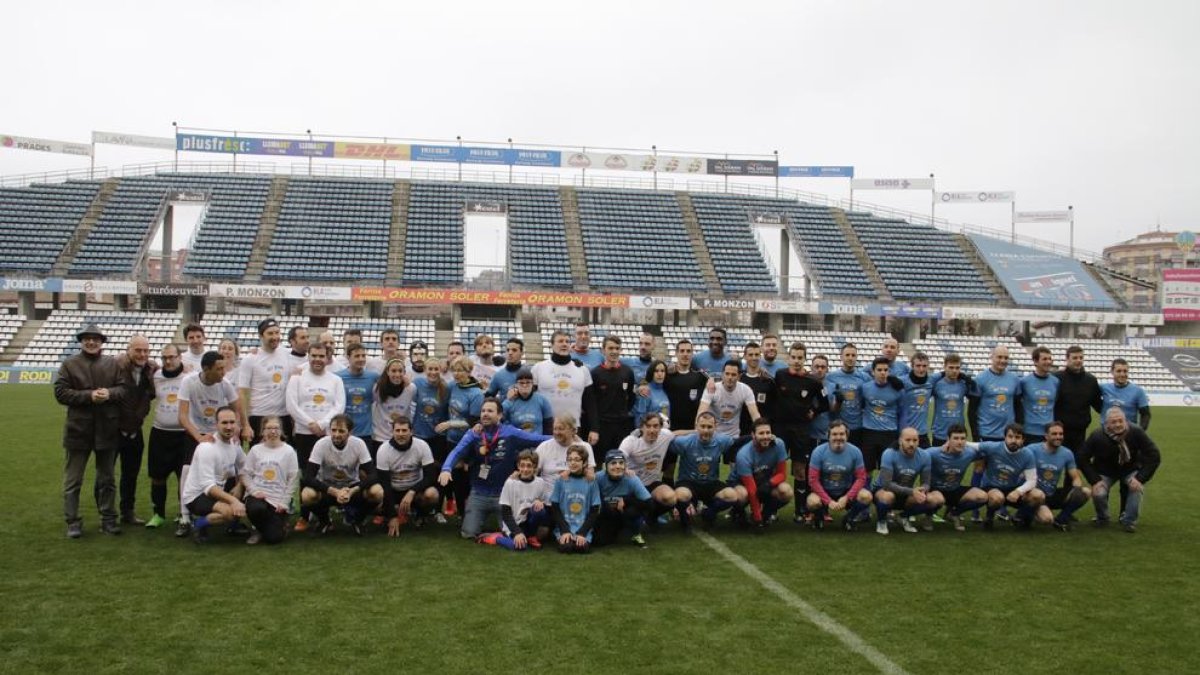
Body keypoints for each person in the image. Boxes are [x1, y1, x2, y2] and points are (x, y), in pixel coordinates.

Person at [438, 397, 551, 538]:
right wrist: (446, 469)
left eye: (490, 411)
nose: (485, 414)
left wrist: (561, 437)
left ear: (500, 415)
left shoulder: (510, 433)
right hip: (479, 493)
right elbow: (457, 451)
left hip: (504, 495)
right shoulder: (474, 433)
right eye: (483, 411)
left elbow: (537, 439)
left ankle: (496, 535)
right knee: (468, 533)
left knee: (510, 533)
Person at [55, 323, 127, 538]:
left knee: (107, 480)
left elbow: (124, 390)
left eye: (95, 339)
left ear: (101, 342)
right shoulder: (69, 364)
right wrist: (89, 396)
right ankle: (72, 521)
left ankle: (108, 519)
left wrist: (110, 393)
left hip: (107, 429)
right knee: (73, 481)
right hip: (78, 430)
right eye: (87, 338)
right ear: (81, 341)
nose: (91, 342)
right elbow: (60, 393)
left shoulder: (112, 364)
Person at [176, 350, 242, 537]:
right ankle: (184, 517)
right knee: (187, 470)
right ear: (206, 369)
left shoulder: (225, 384)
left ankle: (229, 517)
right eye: (219, 369)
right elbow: (182, 416)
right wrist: (198, 437)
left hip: (219, 430)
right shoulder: (189, 382)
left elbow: (237, 407)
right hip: (195, 431)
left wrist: (240, 427)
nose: (223, 372)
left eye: (224, 368)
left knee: (229, 470)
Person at [1078, 408, 1161, 533]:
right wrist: (1094, 480)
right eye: (1113, 422)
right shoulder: (1097, 436)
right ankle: (1103, 518)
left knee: (1136, 489)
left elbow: (1154, 455)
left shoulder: (1136, 432)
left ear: (1125, 421)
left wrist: (1140, 478)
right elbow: (1082, 458)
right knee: (1098, 492)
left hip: (1130, 469)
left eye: (1120, 421)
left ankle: (1129, 521)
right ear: (1107, 423)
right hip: (1105, 471)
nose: (1118, 424)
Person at [300, 414, 378, 535]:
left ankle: (358, 520)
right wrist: (334, 492)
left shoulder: (358, 444)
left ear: (350, 432)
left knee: (377, 492)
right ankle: (324, 521)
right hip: (328, 488)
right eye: (333, 430)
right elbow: (308, 477)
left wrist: (353, 490)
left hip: (351, 488)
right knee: (307, 495)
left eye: (341, 431)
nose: (336, 434)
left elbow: (373, 475)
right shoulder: (321, 444)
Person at [179, 407, 247, 544]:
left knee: (243, 482)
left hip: (218, 488)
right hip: (197, 495)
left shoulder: (234, 443)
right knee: (230, 512)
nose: (229, 427)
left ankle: (232, 526)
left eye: (232, 422)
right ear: (216, 424)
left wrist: (239, 486)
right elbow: (208, 487)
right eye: (224, 423)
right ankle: (198, 523)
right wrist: (233, 501)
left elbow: (246, 467)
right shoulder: (207, 448)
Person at [669, 411, 740, 530]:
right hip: (688, 482)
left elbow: (741, 441)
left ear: (715, 427)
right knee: (681, 495)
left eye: (709, 427)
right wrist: (691, 431)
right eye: (702, 426)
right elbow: (668, 437)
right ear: (696, 426)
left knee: (732, 496)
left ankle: (708, 513)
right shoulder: (685, 441)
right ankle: (685, 519)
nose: (706, 430)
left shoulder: (723, 441)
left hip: (711, 483)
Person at [113, 335, 156, 525]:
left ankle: (127, 512)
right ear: (128, 350)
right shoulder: (115, 367)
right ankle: (107, 515)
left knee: (130, 475)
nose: (142, 354)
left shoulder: (150, 369)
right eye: (138, 350)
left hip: (135, 430)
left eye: (146, 351)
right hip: (113, 430)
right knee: (106, 475)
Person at [372, 416, 439, 537]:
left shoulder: (422, 446)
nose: (400, 434)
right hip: (393, 490)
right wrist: (393, 516)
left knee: (432, 494)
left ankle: (420, 515)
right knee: (376, 493)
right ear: (392, 432)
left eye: (404, 430)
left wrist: (412, 491)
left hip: (415, 490)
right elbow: (385, 484)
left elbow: (431, 476)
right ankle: (386, 515)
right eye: (397, 430)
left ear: (411, 431)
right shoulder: (383, 450)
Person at [530, 329, 598, 445]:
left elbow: (590, 403)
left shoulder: (582, 369)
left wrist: (594, 429)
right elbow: (529, 397)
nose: (564, 344)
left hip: (574, 428)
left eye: (567, 341)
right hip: (547, 427)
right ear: (552, 345)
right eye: (560, 341)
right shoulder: (538, 368)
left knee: (574, 457)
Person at [146, 343, 188, 529]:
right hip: (160, 433)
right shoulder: (156, 376)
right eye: (164, 358)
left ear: (180, 357)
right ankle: (158, 514)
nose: (168, 361)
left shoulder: (189, 377)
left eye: (172, 357)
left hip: (184, 434)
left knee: (183, 477)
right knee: (157, 476)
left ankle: (183, 513)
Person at [240, 416, 299, 545]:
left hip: (278, 498)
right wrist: (254, 491)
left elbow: (293, 479)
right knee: (257, 509)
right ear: (263, 431)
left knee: (274, 538)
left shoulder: (289, 451)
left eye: (276, 428)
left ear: (281, 431)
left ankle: (279, 525)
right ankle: (257, 530)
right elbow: (245, 474)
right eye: (269, 428)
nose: (273, 431)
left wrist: (284, 502)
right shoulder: (255, 450)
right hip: (258, 496)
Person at [477, 449, 552, 551]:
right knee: (519, 547)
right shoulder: (510, 483)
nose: (525, 469)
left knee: (539, 510)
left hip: (528, 522)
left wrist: (541, 502)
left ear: (534, 466)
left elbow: (546, 506)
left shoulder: (540, 483)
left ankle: (530, 536)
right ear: (518, 466)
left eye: (529, 466)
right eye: (522, 465)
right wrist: (517, 532)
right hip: (514, 523)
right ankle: (496, 538)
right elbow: (505, 513)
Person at [805, 420, 872, 531]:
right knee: (812, 502)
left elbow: (861, 478)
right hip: (825, 491)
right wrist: (828, 501)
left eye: (842, 434)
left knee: (866, 496)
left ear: (847, 435)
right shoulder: (818, 452)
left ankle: (849, 518)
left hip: (846, 491)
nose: (838, 437)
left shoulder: (856, 452)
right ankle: (819, 518)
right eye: (834, 434)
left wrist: (847, 497)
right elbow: (813, 480)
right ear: (828, 436)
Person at [727, 418, 793, 531]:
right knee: (742, 495)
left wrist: (769, 484)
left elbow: (782, 474)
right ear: (753, 435)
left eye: (768, 432)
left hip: (764, 481)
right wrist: (757, 519)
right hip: (742, 483)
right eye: (761, 433)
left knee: (786, 491)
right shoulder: (743, 455)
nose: (765, 436)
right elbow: (752, 490)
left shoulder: (779, 444)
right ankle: (738, 512)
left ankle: (766, 513)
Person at [973, 423, 1042, 529]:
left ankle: (1020, 517)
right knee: (997, 497)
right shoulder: (993, 447)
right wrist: (949, 444)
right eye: (1010, 436)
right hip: (992, 487)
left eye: (1017, 437)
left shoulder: (1028, 454)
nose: (1013, 440)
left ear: (1023, 440)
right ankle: (989, 518)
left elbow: (1032, 480)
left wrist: (1018, 491)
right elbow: (971, 445)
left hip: (1013, 488)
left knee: (1038, 495)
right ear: (1005, 437)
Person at [440, 355, 485, 515]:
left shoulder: (476, 393)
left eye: (460, 370)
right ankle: (460, 512)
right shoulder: (453, 386)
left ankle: (472, 511)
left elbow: (474, 423)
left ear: (469, 371)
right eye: (454, 370)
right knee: (456, 477)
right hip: (451, 440)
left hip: (468, 442)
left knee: (467, 477)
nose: (456, 374)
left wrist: (450, 424)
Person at [872, 428, 939, 535]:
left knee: (935, 499)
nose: (911, 444)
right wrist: (912, 492)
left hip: (905, 493)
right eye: (908, 440)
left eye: (915, 440)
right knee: (887, 496)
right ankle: (881, 521)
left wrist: (922, 490)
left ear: (918, 441)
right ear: (900, 441)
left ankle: (903, 517)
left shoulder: (925, 456)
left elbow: (926, 483)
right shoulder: (889, 453)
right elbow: (886, 484)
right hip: (884, 490)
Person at [238, 318, 293, 444]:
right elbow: (243, 393)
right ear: (261, 336)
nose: (275, 337)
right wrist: (245, 425)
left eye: (277, 333)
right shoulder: (250, 359)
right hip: (258, 416)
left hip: (283, 416)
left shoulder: (286, 353)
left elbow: (306, 354)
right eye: (270, 333)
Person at [1029, 421, 1090, 532]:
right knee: (1047, 519)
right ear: (1046, 436)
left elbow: (1075, 477)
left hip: (1052, 493)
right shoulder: (1032, 449)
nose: (1058, 437)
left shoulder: (1067, 453)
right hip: (1036, 495)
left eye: (1060, 434)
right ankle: (1028, 514)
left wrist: (1077, 488)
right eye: (1054, 434)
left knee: (1085, 492)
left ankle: (1061, 519)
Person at [926, 424, 988, 532]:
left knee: (983, 496)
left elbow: (988, 451)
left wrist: (981, 464)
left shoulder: (969, 453)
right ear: (948, 439)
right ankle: (928, 517)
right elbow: (917, 456)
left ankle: (954, 514)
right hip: (936, 490)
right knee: (937, 499)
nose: (960, 442)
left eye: (963, 438)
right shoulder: (934, 453)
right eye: (956, 438)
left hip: (955, 490)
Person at [617, 412, 679, 520]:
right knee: (630, 513)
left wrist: (696, 431)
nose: (652, 430)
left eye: (655, 426)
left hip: (652, 483)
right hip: (633, 485)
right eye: (648, 426)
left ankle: (651, 517)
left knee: (671, 498)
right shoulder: (631, 441)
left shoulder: (665, 435)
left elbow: (677, 433)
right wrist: (625, 469)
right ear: (641, 427)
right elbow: (618, 459)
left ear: (661, 428)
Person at [411, 357, 451, 520]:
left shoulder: (446, 388)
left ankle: (438, 510)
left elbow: (449, 412)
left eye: (436, 369)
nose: (433, 372)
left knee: (438, 473)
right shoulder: (417, 384)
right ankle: (416, 507)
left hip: (437, 438)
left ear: (440, 370)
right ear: (425, 370)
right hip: (419, 436)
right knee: (417, 473)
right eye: (430, 369)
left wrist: (447, 425)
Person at [594, 449, 653, 548]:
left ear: (625, 466)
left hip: (624, 512)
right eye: (613, 463)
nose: (618, 466)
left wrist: (626, 500)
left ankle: (636, 530)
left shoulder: (632, 478)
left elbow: (650, 503)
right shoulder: (598, 478)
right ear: (605, 466)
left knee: (632, 510)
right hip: (607, 513)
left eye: (621, 463)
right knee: (599, 541)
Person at [855, 357, 904, 474]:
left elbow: (902, 412)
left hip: (889, 433)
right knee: (867, 468)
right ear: (873, 372)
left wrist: (900, 433)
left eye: (885, 370)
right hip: (869, 432)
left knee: (887, 469)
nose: (883, 373)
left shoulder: (897, 389)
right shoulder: (865, 388)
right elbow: (861, 405)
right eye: (879, 370)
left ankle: (883, 486)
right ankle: (867, 486)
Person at [549, 445, 602, 553]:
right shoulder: (561, 480)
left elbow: (594, 510)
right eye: (570, 460)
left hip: (583, 527)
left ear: (584, 463)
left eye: (577, 460)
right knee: (566, 548)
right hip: (565, 526)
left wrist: (582, 533)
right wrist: (564, 530)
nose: (573, 463)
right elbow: (555, 507)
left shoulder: (591, 482)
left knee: (581, 548)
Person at [590, 335, 637, 454]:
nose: (614, 351)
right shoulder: (595, 373)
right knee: (600, 460)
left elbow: (632, 397)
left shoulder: (628, 372)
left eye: (617, 348)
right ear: (603, 350)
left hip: (622, 425)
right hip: (602, 426)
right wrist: (594, 428)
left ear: (621, 350)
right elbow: (592, 403)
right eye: (610, 348)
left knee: (620, 458)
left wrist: (623, 412)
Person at [1053, 345, 1103, 455]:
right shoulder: (1056, 378)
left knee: (1077, 462)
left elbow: (1099, 405)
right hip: (1059, 431)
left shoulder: (1091, 380)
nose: (1078, 360)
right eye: (1075, 358)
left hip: (1080, 432)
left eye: (1081, 358)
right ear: (1067, 359)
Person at [969, 345, 1021, 443]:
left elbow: (1018, 407)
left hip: (1008, 434)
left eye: (1006, 358)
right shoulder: (980, 379)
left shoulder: (1015, 379)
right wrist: (975, 435)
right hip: (986, 434)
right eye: (999, 357)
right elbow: (972, 410)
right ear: (992, 357)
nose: (1003, 360)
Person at [697, 360, 760, 439]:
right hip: (714, 437)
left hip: (734, 437)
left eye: (733, 375)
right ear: (722, 374)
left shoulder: (745, 390)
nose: (730, 377)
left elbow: (755, 414)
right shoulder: (712, 388)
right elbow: (701, 412)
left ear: (739, 376)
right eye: (727, 374)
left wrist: (761, 431)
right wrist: (698, 433)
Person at [534, 414, 595, 489]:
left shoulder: (585, 447)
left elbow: (591, 478)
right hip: (549, 492)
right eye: (555, 429)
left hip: (576, 492)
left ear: (573, 430)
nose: (557, 432)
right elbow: (533, 473)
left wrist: (571, 472)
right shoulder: (544, 447)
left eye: (561, 429)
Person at [338, 343, 380, 453]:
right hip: (344, 432)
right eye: (357, 356)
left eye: (363, 356)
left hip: (365, 432)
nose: (361, 359)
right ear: (348, 357)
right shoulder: (338, 377)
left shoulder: (373, 376)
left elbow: (391, 384)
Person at [826, 342, 869, 448]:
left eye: (853, 355)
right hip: (838, 427)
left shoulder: (864, 377)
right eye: (847, 355)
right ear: (841, 357)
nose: (850, 358)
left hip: (858, 426)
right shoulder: (831, 377)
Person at [371, 358, 417, 450]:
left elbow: (413, 407)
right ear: (387, 372)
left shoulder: (411, 388)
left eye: (400, 371)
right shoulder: (378, 389)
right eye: (393, 371)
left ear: (404, 372)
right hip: (381, 436)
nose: (397, 374)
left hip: (402, 435)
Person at [663, 339, 707, 433]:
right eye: (682, 351)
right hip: (671, 429)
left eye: (688, 351)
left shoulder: (700, 377)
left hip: (693, 429)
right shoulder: (666, 375)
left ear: (692, 354)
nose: (685, 354)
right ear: (676, 353)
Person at [1017, 347, 1059, 444]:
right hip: (1030, 432)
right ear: (1035, 361)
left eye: (1050, 359)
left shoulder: (1055, 382)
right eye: (1044, 359)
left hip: (1049, 432)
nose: (1048, 362)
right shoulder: (1024, 382)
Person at [930, 354, 971, 447]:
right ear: (944, 367)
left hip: (958, 433)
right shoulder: (937, 384)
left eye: (957, 368)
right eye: (951, 367)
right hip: (940, 433)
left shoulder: (964, 384)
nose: (954, 371)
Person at [1101, 358, 1151, 430]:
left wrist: (1140, 431)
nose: (1122, 374)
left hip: (1128, 433)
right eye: (1119, 371)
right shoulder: (1103, 388)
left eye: (1125, 371)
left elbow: (1145, 414)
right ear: (1112, 372)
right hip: (1106, 432)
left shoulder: (1138, 391)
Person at [501, 368, 555, 434]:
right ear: (516, 385)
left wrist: (545, 439)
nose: (525, 385)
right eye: (521, 383)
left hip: (537, 439)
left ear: (532, 384)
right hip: (516, 439)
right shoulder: (509, 402)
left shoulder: (542, 400)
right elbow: (499, 421)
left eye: (528, 382)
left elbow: (549, 425)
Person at [739, 341, 776, 435]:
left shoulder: (768, 380)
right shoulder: (739, 379)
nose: (754, 358)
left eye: (756, 355)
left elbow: (774, 409)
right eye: (750, 355)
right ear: (745, 356)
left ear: (760, 356)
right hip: (741, 430)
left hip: (762, 432)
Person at [898, 351, 934, 448]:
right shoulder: (902, 381)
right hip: (906, 432)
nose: (921, 369)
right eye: (918, 366)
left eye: (924, 366)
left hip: (922, 433)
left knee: (927, 457)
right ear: (912, 366)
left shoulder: (931, 380)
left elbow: (944, 374)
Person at [631, 359, 671, 425]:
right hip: (650, 430)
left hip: (665, 430)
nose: (660, 374)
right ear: (651, 373)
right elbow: (639, 421)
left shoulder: (666, 389)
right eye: (656, 371)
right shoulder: (645, 391)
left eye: (662, 371)